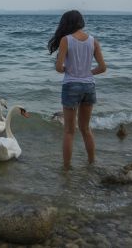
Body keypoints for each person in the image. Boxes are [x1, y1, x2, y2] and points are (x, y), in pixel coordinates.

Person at [48, 10, 107, 170]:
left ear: (66, 23)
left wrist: (69, 68)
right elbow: (102, 68)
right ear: (81, 22)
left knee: (69, 131)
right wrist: (88, 72)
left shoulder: (66, 40)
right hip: (89, 86)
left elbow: (59, 68)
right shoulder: (93, 41)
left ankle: (66, 168)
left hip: (71, 86)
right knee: (86, 129)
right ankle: (92, 163)